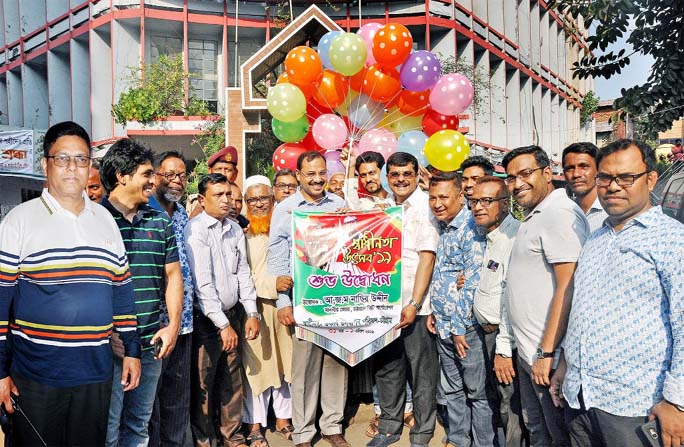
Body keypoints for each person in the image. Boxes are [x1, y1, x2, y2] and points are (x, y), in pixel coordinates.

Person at [0, 121, 141, 446]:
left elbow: (122, 291)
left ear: (90, 165)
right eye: (62, 158)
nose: (72, 168)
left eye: (80, 159)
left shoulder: (105, 220)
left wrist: (132, 349)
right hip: (35, 377)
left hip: (94, 375)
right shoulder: (19, 221)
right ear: (45, 164)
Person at [550, 139, 684, 447]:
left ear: (650, 179)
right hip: (582, 397)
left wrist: (677, 403)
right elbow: (583, 310)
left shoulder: (672, 241)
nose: (613, 186)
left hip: (635, 406)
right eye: (605, 178)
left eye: (626, 177)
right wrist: (566, 364)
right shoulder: (596, 238)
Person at [502, 145, 589, 446]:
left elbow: (570, 286)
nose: (517, 184)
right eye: (511, 178)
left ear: (547, 173)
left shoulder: (559, 214)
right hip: (529, 354)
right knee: (537, 430)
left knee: (557, 436)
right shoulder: (535, 214)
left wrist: (548, 352)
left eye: (525, 174)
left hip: (547, 360)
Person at [101, 138, 184, 447]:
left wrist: (172, 326)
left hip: (150, 344)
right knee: (108, 429)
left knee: (139, 425)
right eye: (147, 174)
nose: (154, 181)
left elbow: (173, 275)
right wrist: (109, 332)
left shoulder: (159, 221)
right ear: (122, 176)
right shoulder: (95, 220)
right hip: (108, 348)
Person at [268, 151, 350, 447]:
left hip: (336, 298)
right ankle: (303, 431)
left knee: (335, 363)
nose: (317, 179)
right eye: (310, 174)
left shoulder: (339, 205)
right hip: (303, 299)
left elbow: (353, 247)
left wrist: (349, 223)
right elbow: (277, 256)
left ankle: (332, 426)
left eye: (321, 173)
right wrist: (283, 301)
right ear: (299, 176)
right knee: (304, 368)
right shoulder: (286, 208)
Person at [368, 152, 440, 447]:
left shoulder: (426, 207)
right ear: (387, 177)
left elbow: (427, 257)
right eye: (394, 175)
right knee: (388, 369)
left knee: (422, 372)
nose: (400, 180)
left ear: (416, 175)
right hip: (385, 305)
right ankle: (389, 426)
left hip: (416, 307)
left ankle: (422, 432)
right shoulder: (385, 208)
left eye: (406, 174)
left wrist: (414, 303)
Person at [185, 173, 261, 447]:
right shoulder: (195, 230)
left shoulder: (233, 229)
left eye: (228, 194)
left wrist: (251, 312)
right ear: (202, 200)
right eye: (219, 195)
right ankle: (205, 441)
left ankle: (233, 437)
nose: (227, 200)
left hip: (233, 315)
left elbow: (243, 273)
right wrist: (222, 325)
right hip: (207, 320)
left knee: (232, 380)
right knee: (204, 384)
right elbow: (202, 283)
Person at [427, 171, 493, 447]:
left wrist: (456, 327)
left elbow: (473, 282)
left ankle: (483, 443)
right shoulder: (444, 227)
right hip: (443, 324)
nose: (437, 203)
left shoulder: (471, 229)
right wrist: (435, 310)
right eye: (432, 198)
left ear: (459, 196)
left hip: (465, 329)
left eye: (444, 197)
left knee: (477, 393)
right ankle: (458, 439)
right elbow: (443, 274)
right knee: (452, 389)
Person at [470, 176, 527, 447]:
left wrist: (504, 349)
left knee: (511, 405)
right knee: (498, 399)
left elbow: (510, 298)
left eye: (487, 201)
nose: (478, 207)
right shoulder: (488, 236)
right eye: (474, 201)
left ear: (505, 204)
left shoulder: (513, 237)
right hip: (487, 334)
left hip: (505, 339)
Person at [240, 175, 295, 447]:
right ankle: (255, 425)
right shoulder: (242, 234)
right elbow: (244, 276)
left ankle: (284, 419)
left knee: (286, 364)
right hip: (256, 308)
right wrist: (273, 284)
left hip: (285, 306)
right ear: (246, 203)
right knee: (258, 368)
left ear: (273, 199)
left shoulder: (284, 227)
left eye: (264, 198)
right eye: (253, 199)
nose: (259, 204)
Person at [148, 151, 195, 447]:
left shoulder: (182, 214)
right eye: (170, 174)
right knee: (150, 399)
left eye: (182, 176)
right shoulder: (145, 211)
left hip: (184, 322)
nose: (176, 181)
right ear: (155, 177)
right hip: (155, 325)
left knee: (178, 397)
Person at [562, 142, 608, 232]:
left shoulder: (612, 212)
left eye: (584, 167)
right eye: (570, 168)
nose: (576, 174)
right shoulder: (566, 214)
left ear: (598, 170)